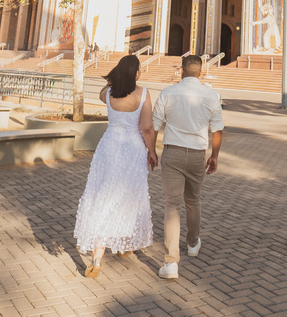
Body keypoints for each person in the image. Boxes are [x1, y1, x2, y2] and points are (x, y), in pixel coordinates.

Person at [73, 54, 156, 278]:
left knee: (103, 193)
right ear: (134, 72)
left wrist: (112, 79)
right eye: (139, 69)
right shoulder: (144, 93)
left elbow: (103, 91)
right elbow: (147, 128)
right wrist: (152, 151)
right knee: (129, 195)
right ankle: (124, 244)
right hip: (132, 149)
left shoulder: (108, 93)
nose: (141, 72)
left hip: (108, 147)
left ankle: (98, 256)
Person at [151, 55, 224, 280]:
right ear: (200, 72)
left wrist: (151, 151)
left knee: (172, 206)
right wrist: (214, 156)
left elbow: (154, 125)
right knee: (193, 200)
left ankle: (171, 262)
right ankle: (192, 243)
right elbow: (217, 130)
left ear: (181, 71)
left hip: (172, 153)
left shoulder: (167, 92)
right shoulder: (212, 96)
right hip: (197, 155)